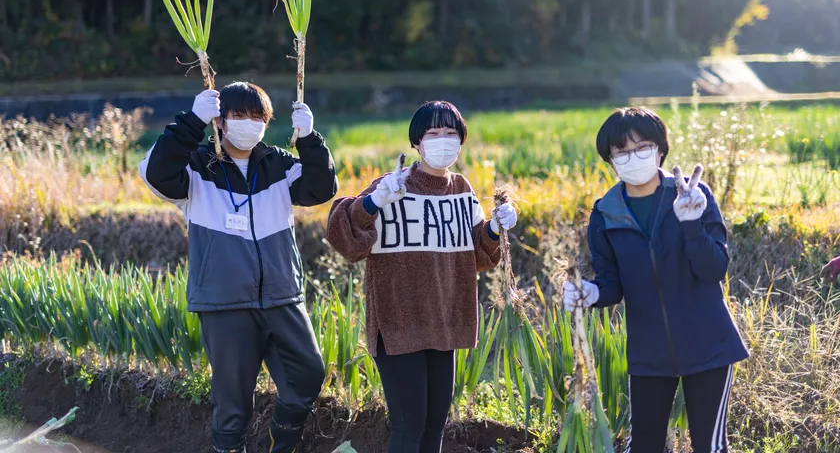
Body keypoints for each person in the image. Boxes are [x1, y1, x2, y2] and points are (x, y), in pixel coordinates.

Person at [139, 82, 338, 453]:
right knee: (233, 403)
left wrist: (310, 139)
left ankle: (282, 445)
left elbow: (321, 188)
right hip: (224, 302)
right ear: (220, 120)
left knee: (308, 376)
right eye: (238, 115)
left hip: (281, 296)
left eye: (257, 117)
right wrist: (191, 122)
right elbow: (156, 172)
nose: (248, 123)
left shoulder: (278, 164)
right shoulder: (197, 168)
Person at [325, 101, 516, 453]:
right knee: (409, 426)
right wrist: (373, 202)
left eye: (450, 133)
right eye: (433, 133)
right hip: (399, 324)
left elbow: (475, 254)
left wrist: (493, 228)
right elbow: (344, 238)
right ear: (417, 141)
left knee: (433, 427)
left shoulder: (462, 190)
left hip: (444, 323)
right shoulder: (393, 185)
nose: (442, 140)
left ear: (461, 141)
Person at [563, 107, 749, 453]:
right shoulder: (605, 213)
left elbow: (714, 269)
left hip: (708, 343)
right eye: (621, 152)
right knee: (644, 445)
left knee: (709, 447)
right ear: (610, 160)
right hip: (649, 351)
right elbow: (611, 284)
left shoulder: (692, 195)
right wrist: (589, 292)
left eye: (642, 147)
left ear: (661, 150)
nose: (632, 157)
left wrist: (691, 225)